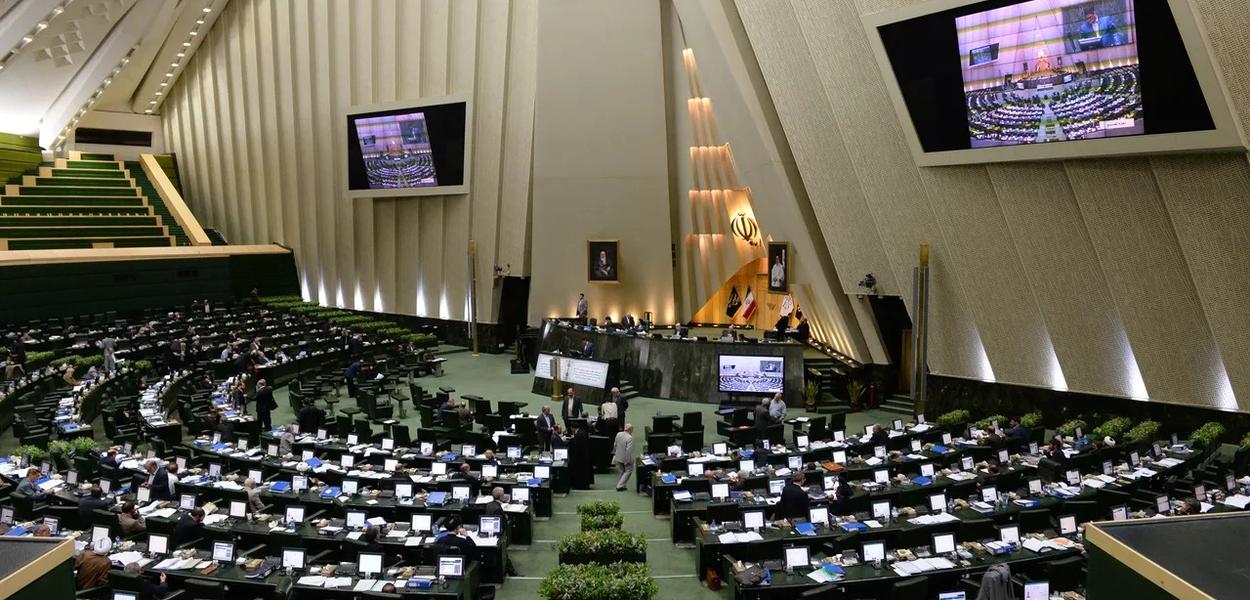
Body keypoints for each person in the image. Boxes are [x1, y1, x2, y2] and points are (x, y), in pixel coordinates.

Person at [569, 424, 593, 490]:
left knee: (579, 472)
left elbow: (576, 447)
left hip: (579, 457)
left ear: (572, 428)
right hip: (585, 456)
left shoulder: (578, 435)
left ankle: (579, 486)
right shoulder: (583, 432)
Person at [613, 424, 635, 491]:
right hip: (625, 458)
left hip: (618, 456)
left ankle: (623, 485)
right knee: (628, 471)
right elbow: (628, 451)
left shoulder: (618, 434)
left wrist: (615, 453)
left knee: (622, 471)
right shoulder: (629, 438)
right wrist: (627, 460)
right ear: (630, 430)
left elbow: (615, 444)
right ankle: (620, 485)